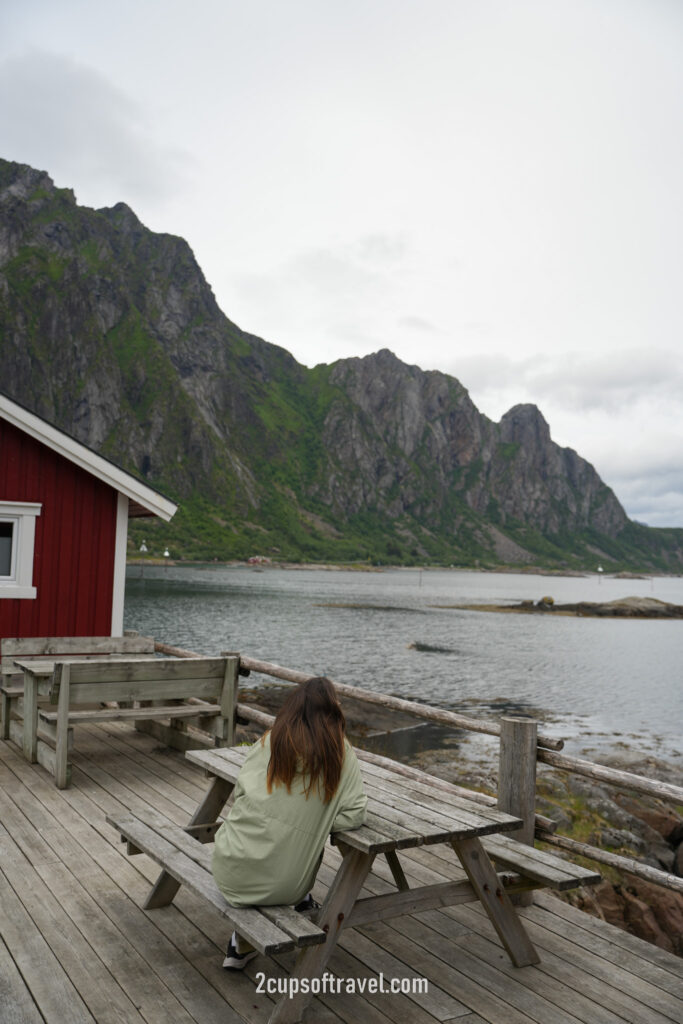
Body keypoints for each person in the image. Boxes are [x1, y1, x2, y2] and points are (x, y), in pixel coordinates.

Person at [211, 676, 368, 969]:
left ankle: (241, 945)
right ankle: (252, 936)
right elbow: (355, 814)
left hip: (228, 868)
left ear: (293, 708)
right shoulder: (340, 752)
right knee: (289, 857)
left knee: (272, 843)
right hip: (286, 886)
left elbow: (241, 793)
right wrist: (323, 817)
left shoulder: (269, 740)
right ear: (333, 711)